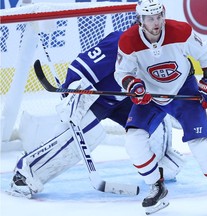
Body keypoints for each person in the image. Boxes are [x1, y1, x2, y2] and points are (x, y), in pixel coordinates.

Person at [8, 31, 185, 199]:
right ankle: (26, 173)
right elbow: (82, 66)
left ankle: (159, 163)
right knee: (86, 136)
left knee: (156, 123)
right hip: (97, 98)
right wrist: (71, 92)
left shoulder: (163, 50)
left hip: (126, 99)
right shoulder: (121, 41)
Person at [114, 0, 207, 215]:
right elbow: (122, 73)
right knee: (133, 139)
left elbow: (206, 54)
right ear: (140, 20)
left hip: (183, 90)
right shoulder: (128, 40)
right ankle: (156, 186)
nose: (156, 22)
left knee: (199, 143)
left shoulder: (181, 30)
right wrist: (133, 85)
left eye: (159, 16)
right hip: (151, 96)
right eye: (150, 18)